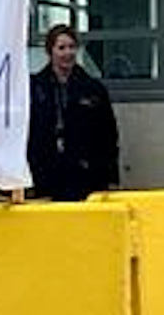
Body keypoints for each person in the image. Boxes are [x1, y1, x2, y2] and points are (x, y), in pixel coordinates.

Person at [24, 25, 121, 202]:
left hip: (85, 174)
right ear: (50, 51)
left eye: (71, 47)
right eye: (61, 48)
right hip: (45, 175)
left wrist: (110, 177)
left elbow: (108, 136)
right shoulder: (34, 87)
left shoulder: (93, 89)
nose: (67, 53)